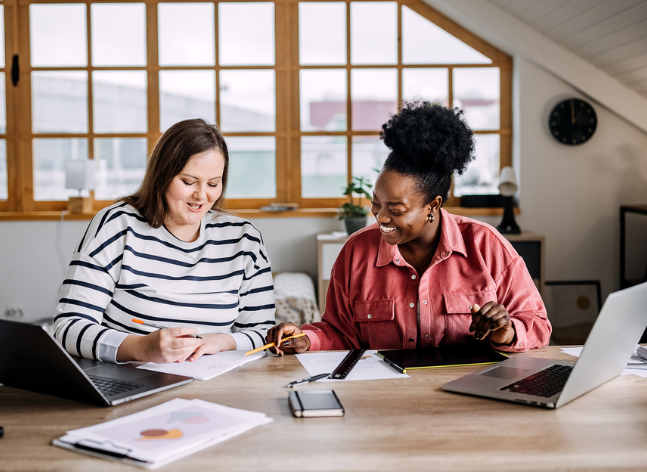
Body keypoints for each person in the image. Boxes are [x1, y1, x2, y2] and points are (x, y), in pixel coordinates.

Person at [267, 101, 550, 354]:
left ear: (433, 206)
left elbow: (538, 326)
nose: (381, 217)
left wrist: (508, 331)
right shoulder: (356, 252)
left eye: (396, 209)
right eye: (376, 203)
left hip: (470, 397)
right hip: (386, 396)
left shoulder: (485, 245)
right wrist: (307, 338)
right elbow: (341, 333)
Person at [54, 119, 276, 364]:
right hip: (130, 380)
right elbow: (68, 327)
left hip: (215, 384)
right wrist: (139, 347)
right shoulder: (117, 225)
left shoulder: (244, 240)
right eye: (188, 182)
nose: (201, 195)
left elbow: (265, 335)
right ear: (162, 175)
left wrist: (220, 341)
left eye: (213, 183)